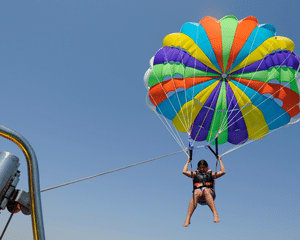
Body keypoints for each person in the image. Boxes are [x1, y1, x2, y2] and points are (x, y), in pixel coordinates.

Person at [182, 152, 226, 227]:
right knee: (196, 192)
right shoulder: (195, 174)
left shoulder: (211, 174)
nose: (202, 169)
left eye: (204, 167)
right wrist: (188, 161)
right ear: (198, 168)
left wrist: (220, 160)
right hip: (199, 198)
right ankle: (188, 218)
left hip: (209, 195)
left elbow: (223, 172)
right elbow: (184, 171)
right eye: (200, 167)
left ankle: (215, 214)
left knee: (205, 190)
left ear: (207, 167)